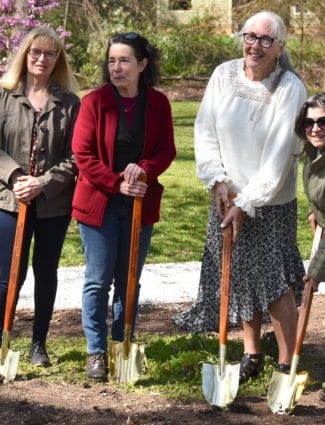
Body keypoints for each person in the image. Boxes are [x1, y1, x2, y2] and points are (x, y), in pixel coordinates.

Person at [174, 11, 307, 383]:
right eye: (251, 37)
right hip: (225, 197)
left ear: (279, 47)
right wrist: (217, 181)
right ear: (241, 38)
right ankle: (251, 353)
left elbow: (280, 154)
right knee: (239, 276)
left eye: (266, 40)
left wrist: (247, 203)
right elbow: (205, 130)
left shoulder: (289, 87)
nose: (256, 46)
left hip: (270, 202)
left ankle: (285, 363)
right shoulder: (223, 74)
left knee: (276, 281)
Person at [71, 32, 176, 380]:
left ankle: (123, 343)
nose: (116, 67)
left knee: (129, 280)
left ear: (142, 64)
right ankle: (97, 352)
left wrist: (143, 171)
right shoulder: (94, 102)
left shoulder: (159, 103)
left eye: (124, 60)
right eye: (112, 61)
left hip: (139, 206)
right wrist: (118, 182)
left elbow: (166, 151)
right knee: (98, 280)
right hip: (99, 204)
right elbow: (83, 155)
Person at [0, 27, 80, 367]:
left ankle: (38, 344)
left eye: (49, 54)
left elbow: (78, 157)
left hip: (52, 204)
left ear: (57, 59)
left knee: (45, 272)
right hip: (7, 200)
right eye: (35, 52)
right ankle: (2, 340)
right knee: (6, 276)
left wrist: (43, 182)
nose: (41, 59)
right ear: (25, 55)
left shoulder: (70, 104)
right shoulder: (3, 95)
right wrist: (16, 177)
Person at [294, 93, 325, 402]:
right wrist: (316, 209)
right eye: (309, 122)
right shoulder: (312, 153)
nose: (315, 128)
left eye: (323, 121)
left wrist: (315, 272)